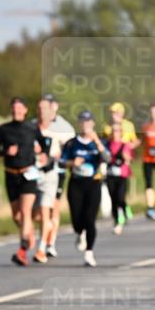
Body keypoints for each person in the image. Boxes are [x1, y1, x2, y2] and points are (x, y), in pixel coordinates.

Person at [0, 97, 44, 266]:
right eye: (14, 108)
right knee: (17, 216)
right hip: (11, 175)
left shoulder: (32, 128)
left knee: (25, 212)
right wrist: (6, 152)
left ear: (25, 110)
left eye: (19, 108)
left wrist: (41, 150)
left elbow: (44, 144)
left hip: (28, 174)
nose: (16, 111)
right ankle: (28, 234)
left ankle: (22, 251)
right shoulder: (4, 129)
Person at [61, 111, 110, 266]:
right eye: (83, 121)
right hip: (76, 183)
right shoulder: (71, 143)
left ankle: (89, 252)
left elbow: (107, 158)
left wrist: (97, 142)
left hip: (93, 183)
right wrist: (72, 163)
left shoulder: (99, 142)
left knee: (90, 218)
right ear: (79, 124)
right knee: (76, 218)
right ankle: (79, 232)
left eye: (88, 122)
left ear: (93, 123)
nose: (86, 125)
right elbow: (62, 161)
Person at [40, 94, 76, 258]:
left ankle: (50, 242)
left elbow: (72, 149)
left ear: (56, 106)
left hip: (58, 171)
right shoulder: (36, 124)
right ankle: (44, 235)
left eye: (51, 105)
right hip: (39, 171)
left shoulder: (65, 127)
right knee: (41, 209)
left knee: (54, 207)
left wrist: (62, 155)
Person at [32, 98, 62, 263]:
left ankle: (42, 248)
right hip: (31, 174)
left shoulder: (57, 130)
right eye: (39, 108)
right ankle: (47, 229)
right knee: (32, 215)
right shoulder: (31, 127)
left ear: (51, 112)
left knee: (45, 211)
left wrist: (53, 156)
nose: (42, 112)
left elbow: (63, 152)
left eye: (45, 109)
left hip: (50, 175)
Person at [105, 121, 134, 235]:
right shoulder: (107, 144)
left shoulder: (125, 145)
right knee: (113, 199)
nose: (115, 133)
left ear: (121, 132)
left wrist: (126, 157)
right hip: (110, 175)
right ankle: (117, 221)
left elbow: (129, 159)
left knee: (120, 197)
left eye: (117, 130)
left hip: (122, 175)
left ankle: (125, 208)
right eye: (113, 131)